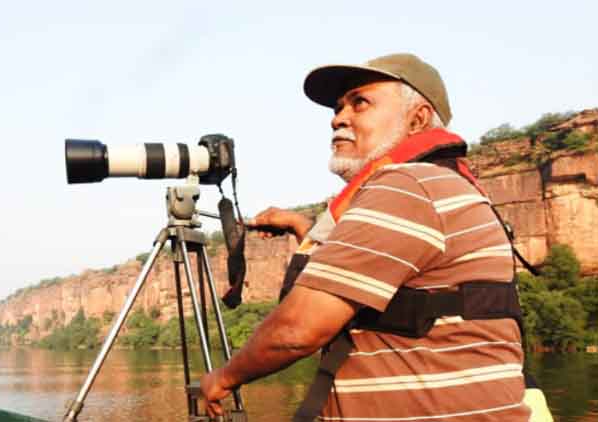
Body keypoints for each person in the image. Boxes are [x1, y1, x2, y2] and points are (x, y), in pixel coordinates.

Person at [200, 53, 548, 421]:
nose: (338, 118)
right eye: (338, 107)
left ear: (418, 118)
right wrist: (304, 229)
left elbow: (298, 328)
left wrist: (224, 377)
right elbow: (406, 297)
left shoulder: (407, 186)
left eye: (360, 102)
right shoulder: (443, 185)